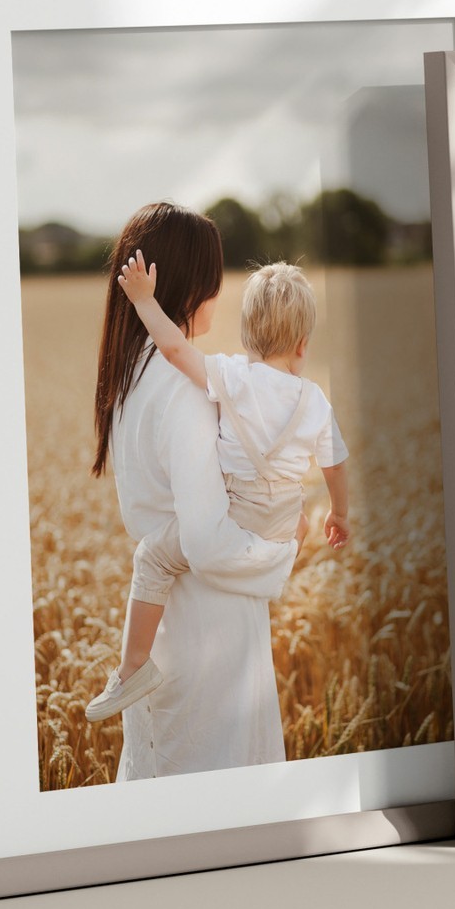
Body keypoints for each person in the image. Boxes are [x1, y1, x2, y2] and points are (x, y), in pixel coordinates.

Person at [87, 253, 351, 720]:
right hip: (284, 516)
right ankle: (284, 549)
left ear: (248, 334)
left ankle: (132, 668)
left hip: (238, 512)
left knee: (153, 556)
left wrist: (145, 302)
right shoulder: (315, 400)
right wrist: (339, 513)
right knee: (295, 520)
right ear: (303, 345)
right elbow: (335, 464)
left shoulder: (234, 377)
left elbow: (174, 350)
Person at [89, 203, 300, 778]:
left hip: (164, 624)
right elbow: (206, 541)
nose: (220, 289)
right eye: (213, 274)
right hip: (209, 634)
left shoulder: (129, 377)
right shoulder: (181, 387)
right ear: (188, 284)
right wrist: (278, 553)